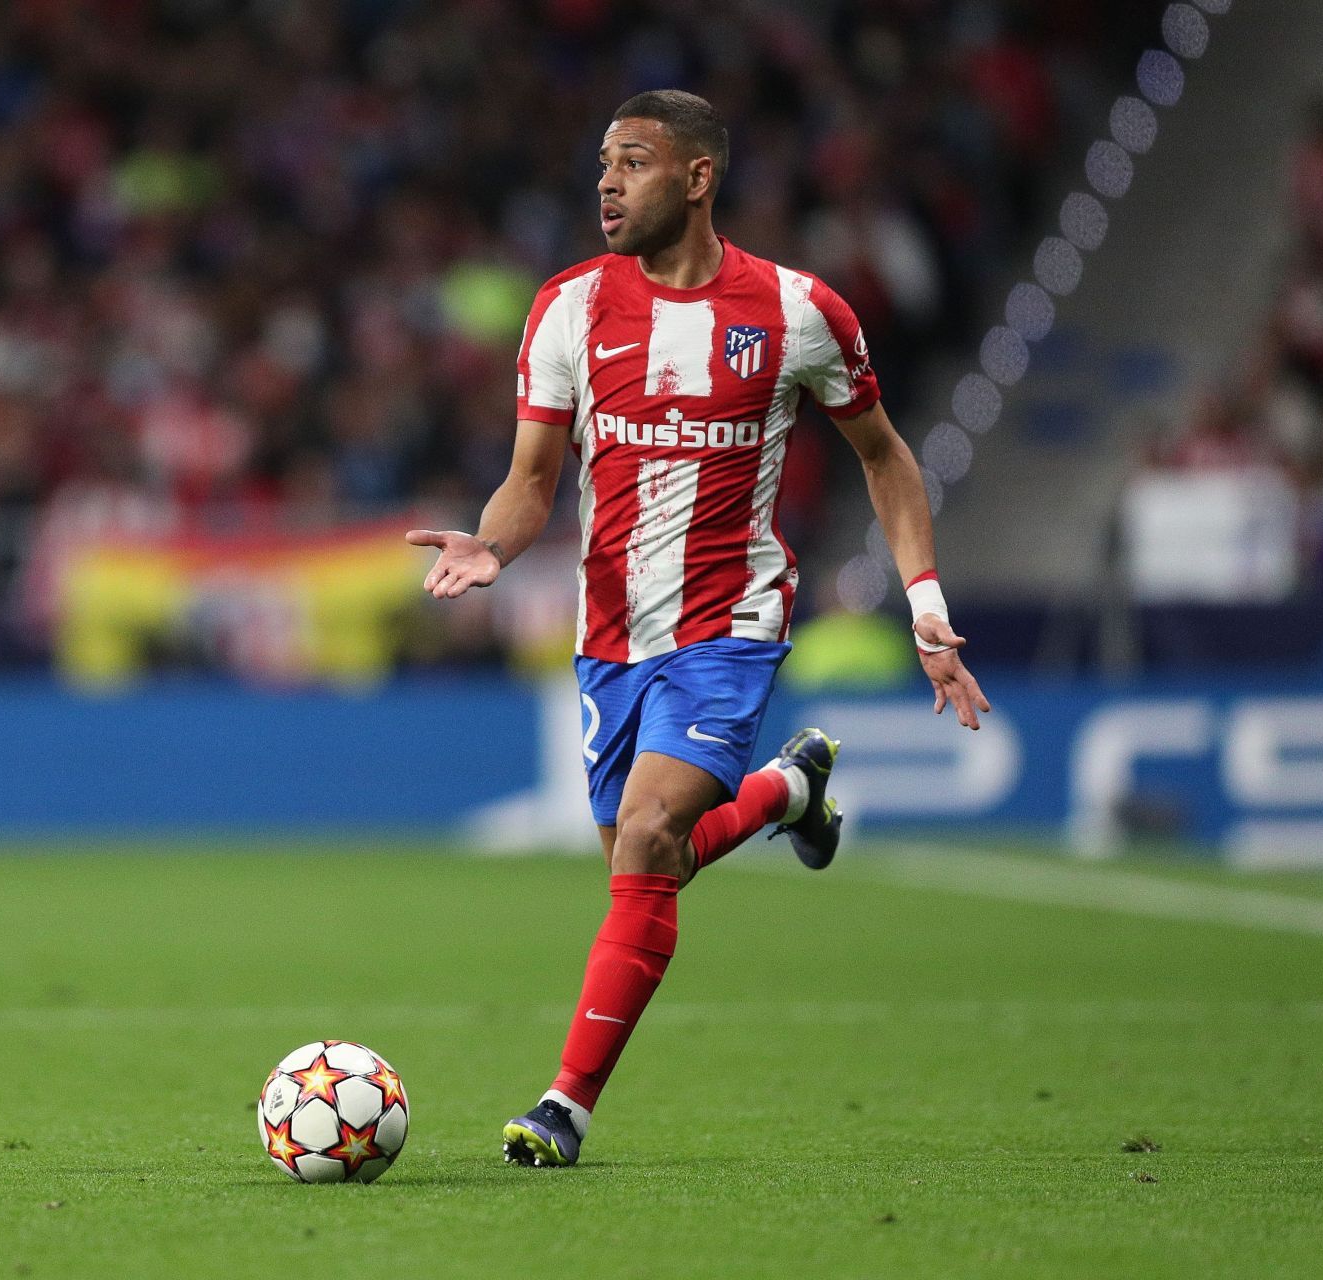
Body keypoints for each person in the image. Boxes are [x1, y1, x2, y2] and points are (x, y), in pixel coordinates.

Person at [407, 90, 990, 1167]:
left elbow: (885, 457)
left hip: (730, 624)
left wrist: (925, 605)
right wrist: (493, 543)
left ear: (697, 177)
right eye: (601, 164)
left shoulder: (798, 310)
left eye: (632, 161)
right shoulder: (568, 308)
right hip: (609, 632)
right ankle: (789, 789)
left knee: (645, 838)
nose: (606, 182)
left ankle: (563, 1107)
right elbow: (531, 482)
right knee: (647, 862)